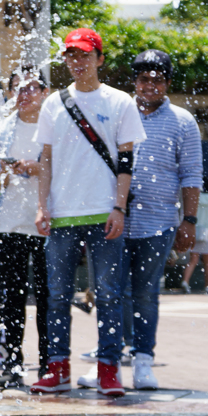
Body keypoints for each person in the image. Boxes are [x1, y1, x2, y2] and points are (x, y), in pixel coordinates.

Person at [76, 50, 201, 391]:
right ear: (135, 81)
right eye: (144, 78)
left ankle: (143, 360)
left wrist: (188, 220)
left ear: (167, 83)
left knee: (146, 293)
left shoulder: (183, 120)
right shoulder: (116, 112)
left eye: (157, 79)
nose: (150, 85)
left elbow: (191, 174)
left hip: (158, 222)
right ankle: (108, 363)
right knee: (109, 293)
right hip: (112, 220)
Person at [31, 29, 146, 396]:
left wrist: (119, 207)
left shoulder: (120, 101)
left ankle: (109, 369)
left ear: (99, 59)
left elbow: (127, 159)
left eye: (83, 56)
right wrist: (41, 205)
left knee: (109, 294)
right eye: (70, 56)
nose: (76, 63)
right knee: (56, 296)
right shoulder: (53, 103)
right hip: (62, 214)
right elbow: (45, 159)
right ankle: (57, 367)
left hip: (104, 212)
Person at [0, 68, 50, 388]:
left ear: (45, 92)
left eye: (32, 88)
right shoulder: (0, 128)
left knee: (50, 298)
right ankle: (12, 362)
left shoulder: (55, 128)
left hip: (47, 223)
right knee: (10, 298)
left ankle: (50, 363)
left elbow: (69, 168)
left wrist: (40, 168)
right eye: (18, 88)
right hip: (8, 224)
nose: (25, 94)